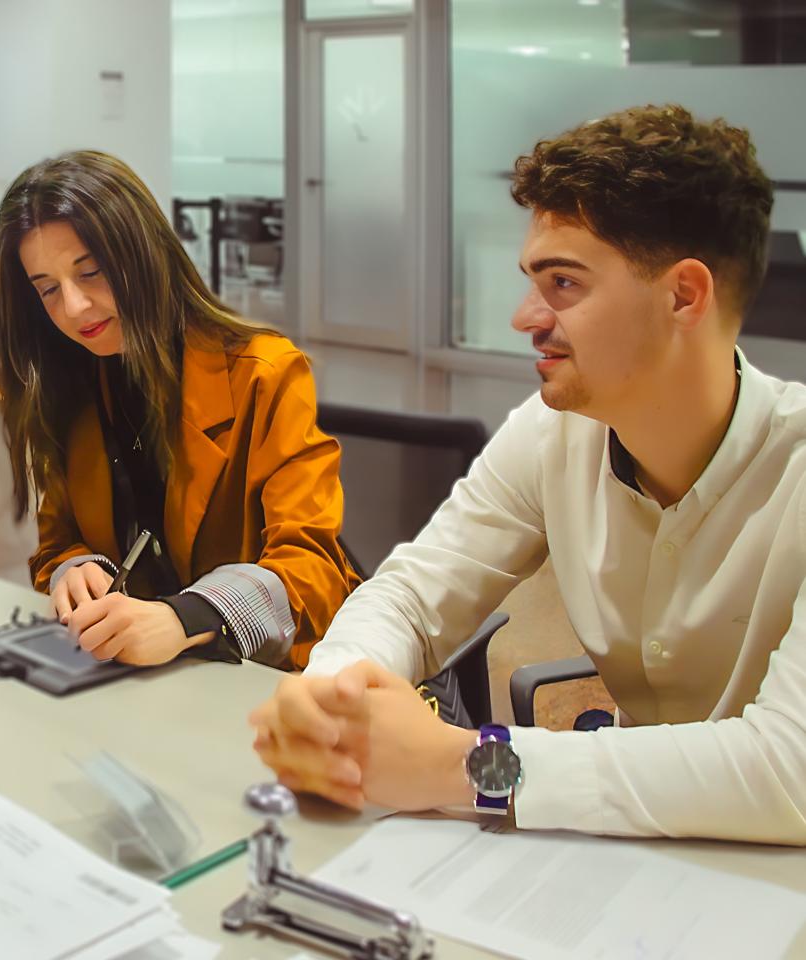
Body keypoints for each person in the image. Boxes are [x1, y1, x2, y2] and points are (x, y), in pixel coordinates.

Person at [249, 104, 806, 846]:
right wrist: (336, 699)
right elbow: (414, 592)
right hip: (645, 861)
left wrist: (472, 767)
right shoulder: (552, 435)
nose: (524, 316)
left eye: (564, 283)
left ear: (683, 296)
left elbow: (787, 770)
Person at [0, 151, 360, 671]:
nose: (73, 308)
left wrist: (187, 617)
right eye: (48, 290)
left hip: (258, 677)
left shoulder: (263, 372)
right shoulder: (70, 382)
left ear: (143, 254)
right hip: (132, 674)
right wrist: (75, 569)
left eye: (91, 272)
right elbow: (58, 542)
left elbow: (313, 567)